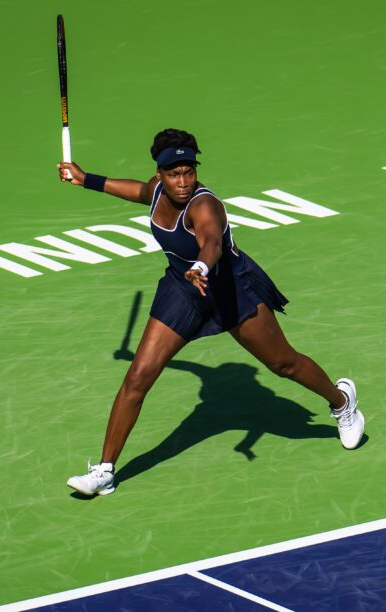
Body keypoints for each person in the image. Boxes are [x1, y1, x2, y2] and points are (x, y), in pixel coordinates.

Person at [57, 128, 364, 496]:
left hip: (228, 288)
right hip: (182, 291)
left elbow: (211, 240)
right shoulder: (155, 191)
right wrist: (84, 178)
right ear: (160, 175)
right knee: (139, 375)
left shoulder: (204, 205)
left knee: (285, 365)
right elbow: (135, 190)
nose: (184, 181)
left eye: (189, 172)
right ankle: (105, 471)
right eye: (174, 174)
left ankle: (342, 402)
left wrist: (201, 267)